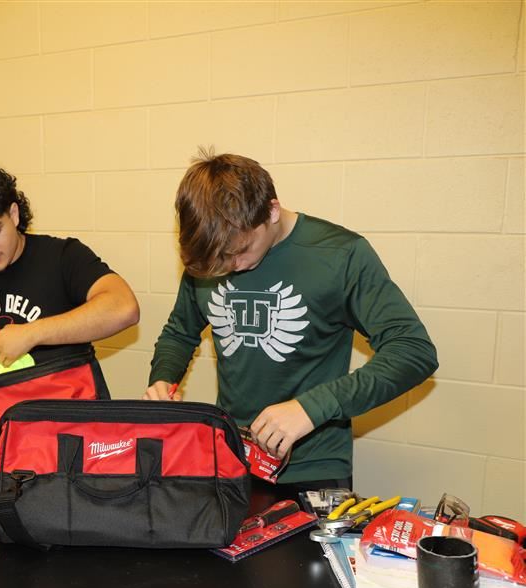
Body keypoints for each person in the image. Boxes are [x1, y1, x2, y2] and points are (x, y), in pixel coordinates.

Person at [144, 151, 437, 490]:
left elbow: (413, 351)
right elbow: (180, 332)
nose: (231, 266)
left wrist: (310, 408)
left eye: (241, 251)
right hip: (230, 459)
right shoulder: (215, 253)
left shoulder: (341, 255)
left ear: (271, 210)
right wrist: (164, 379)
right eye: (220, 258)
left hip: (312, 470)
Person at [0, 167, 140, 383]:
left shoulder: (62, 256)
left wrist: (33, 333)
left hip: (65, 413)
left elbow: (124, 308)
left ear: (13, 215)